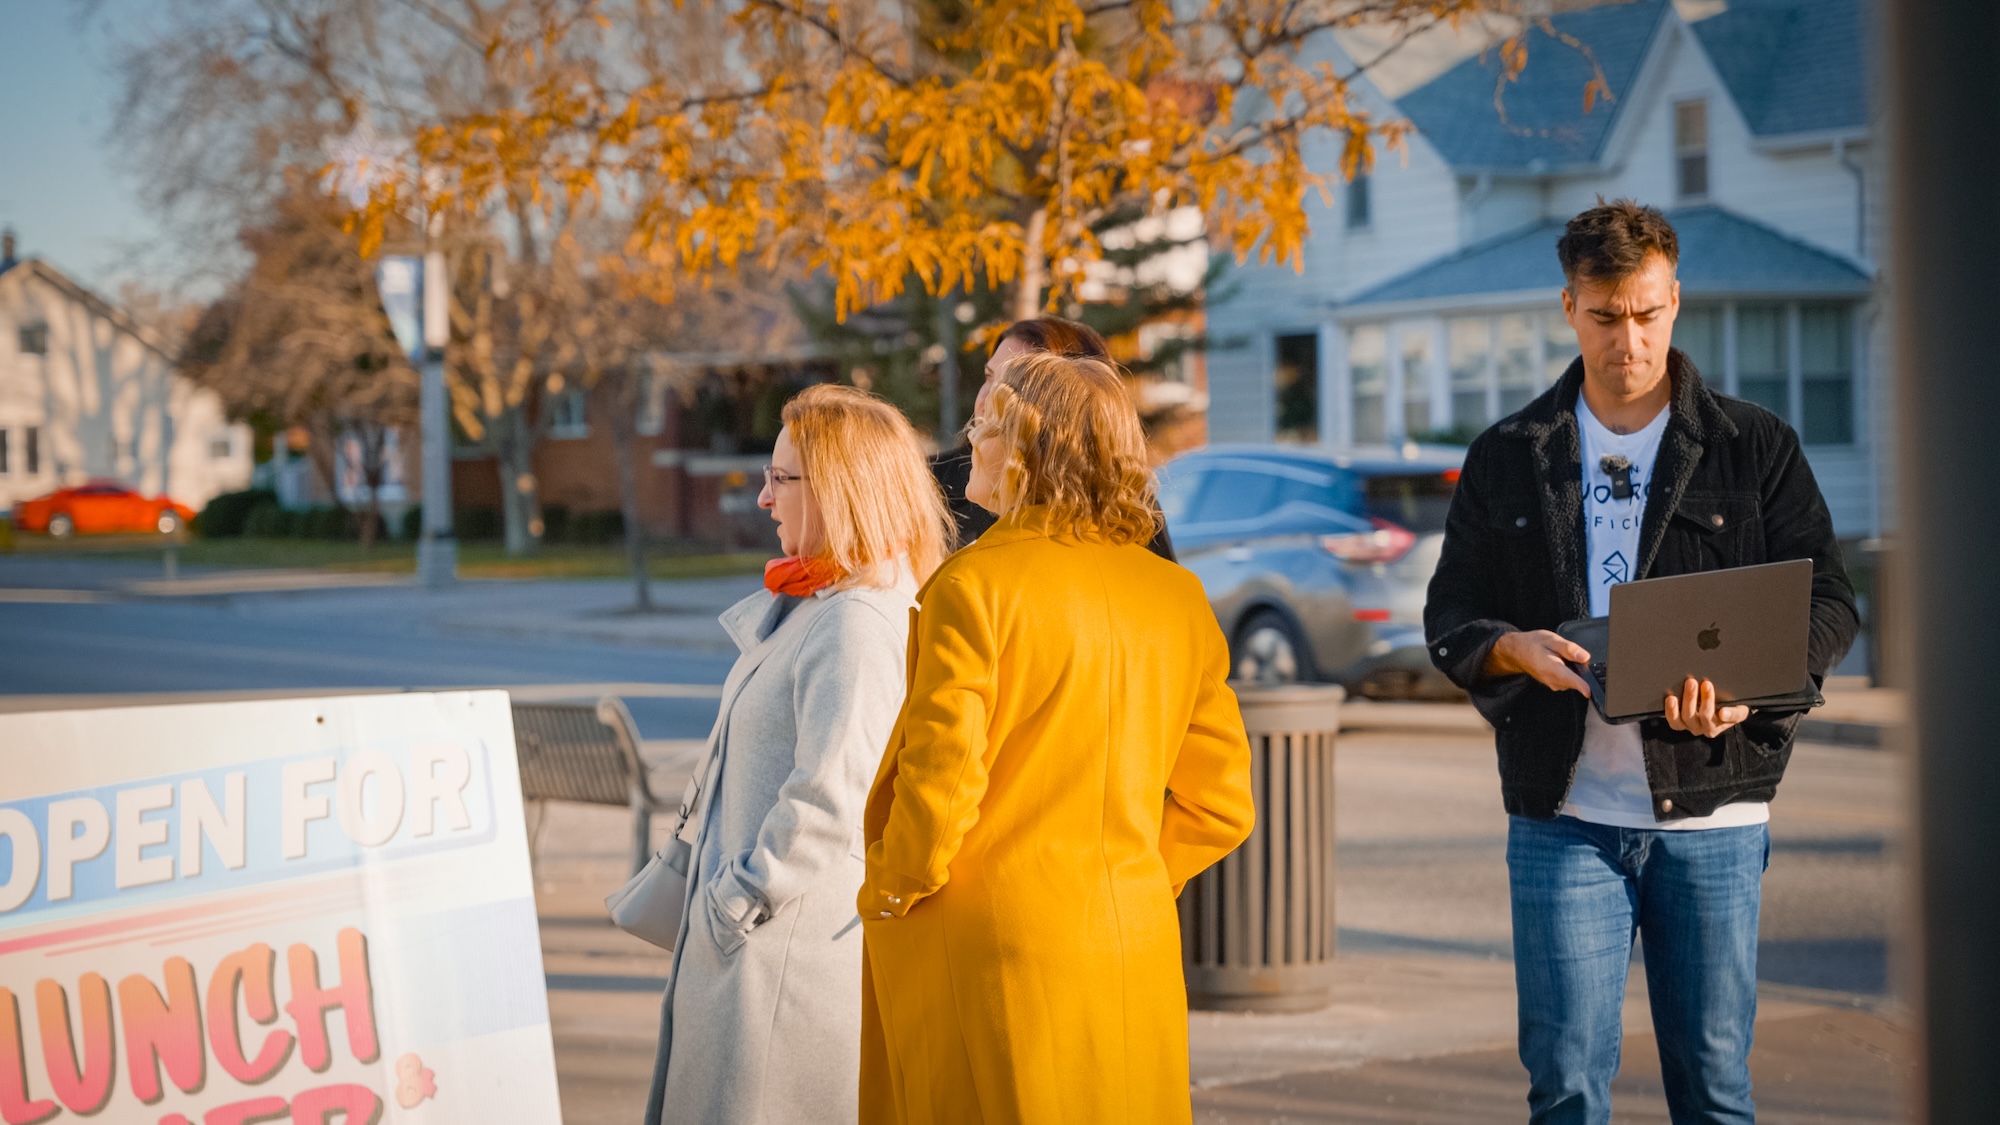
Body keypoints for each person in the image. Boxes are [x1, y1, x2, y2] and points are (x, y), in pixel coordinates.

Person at [1424, 200, 1858, 1124]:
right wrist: (1511, 648)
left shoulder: (1754, 446)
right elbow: (1450, 614)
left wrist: (1749, 692)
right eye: (1607, 315)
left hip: (1715, 814)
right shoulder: (1508, 456)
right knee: (1567, 1091)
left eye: (1649, 313)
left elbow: (1829, 601)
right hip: (1564, 814)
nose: (1631, 338)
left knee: (1713, 1091)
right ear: (1569, 307)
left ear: (1676, 300)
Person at [857, 351, 1256, 1124]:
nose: (970, 438)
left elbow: (941, 787)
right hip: (1128, 937)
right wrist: (1130, 877)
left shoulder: (974, 585)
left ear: (1028, 445)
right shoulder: (1176, 594)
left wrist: (890, 887)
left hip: (987, 947)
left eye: (986, 423)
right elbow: (1223, 803)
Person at [646, 385, 954, 1125]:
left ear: (839, 488)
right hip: (755, 948)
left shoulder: (856, 620)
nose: (762, 498)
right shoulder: (820, 603)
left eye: (780, 479)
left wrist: (739, 898)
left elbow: (830, 793)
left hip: (779, 960)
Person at [930, 316, 1176, 559]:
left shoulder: (1125, 505)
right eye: (989, 377)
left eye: (1012, 388)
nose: (986, 399)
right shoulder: (930, 481)